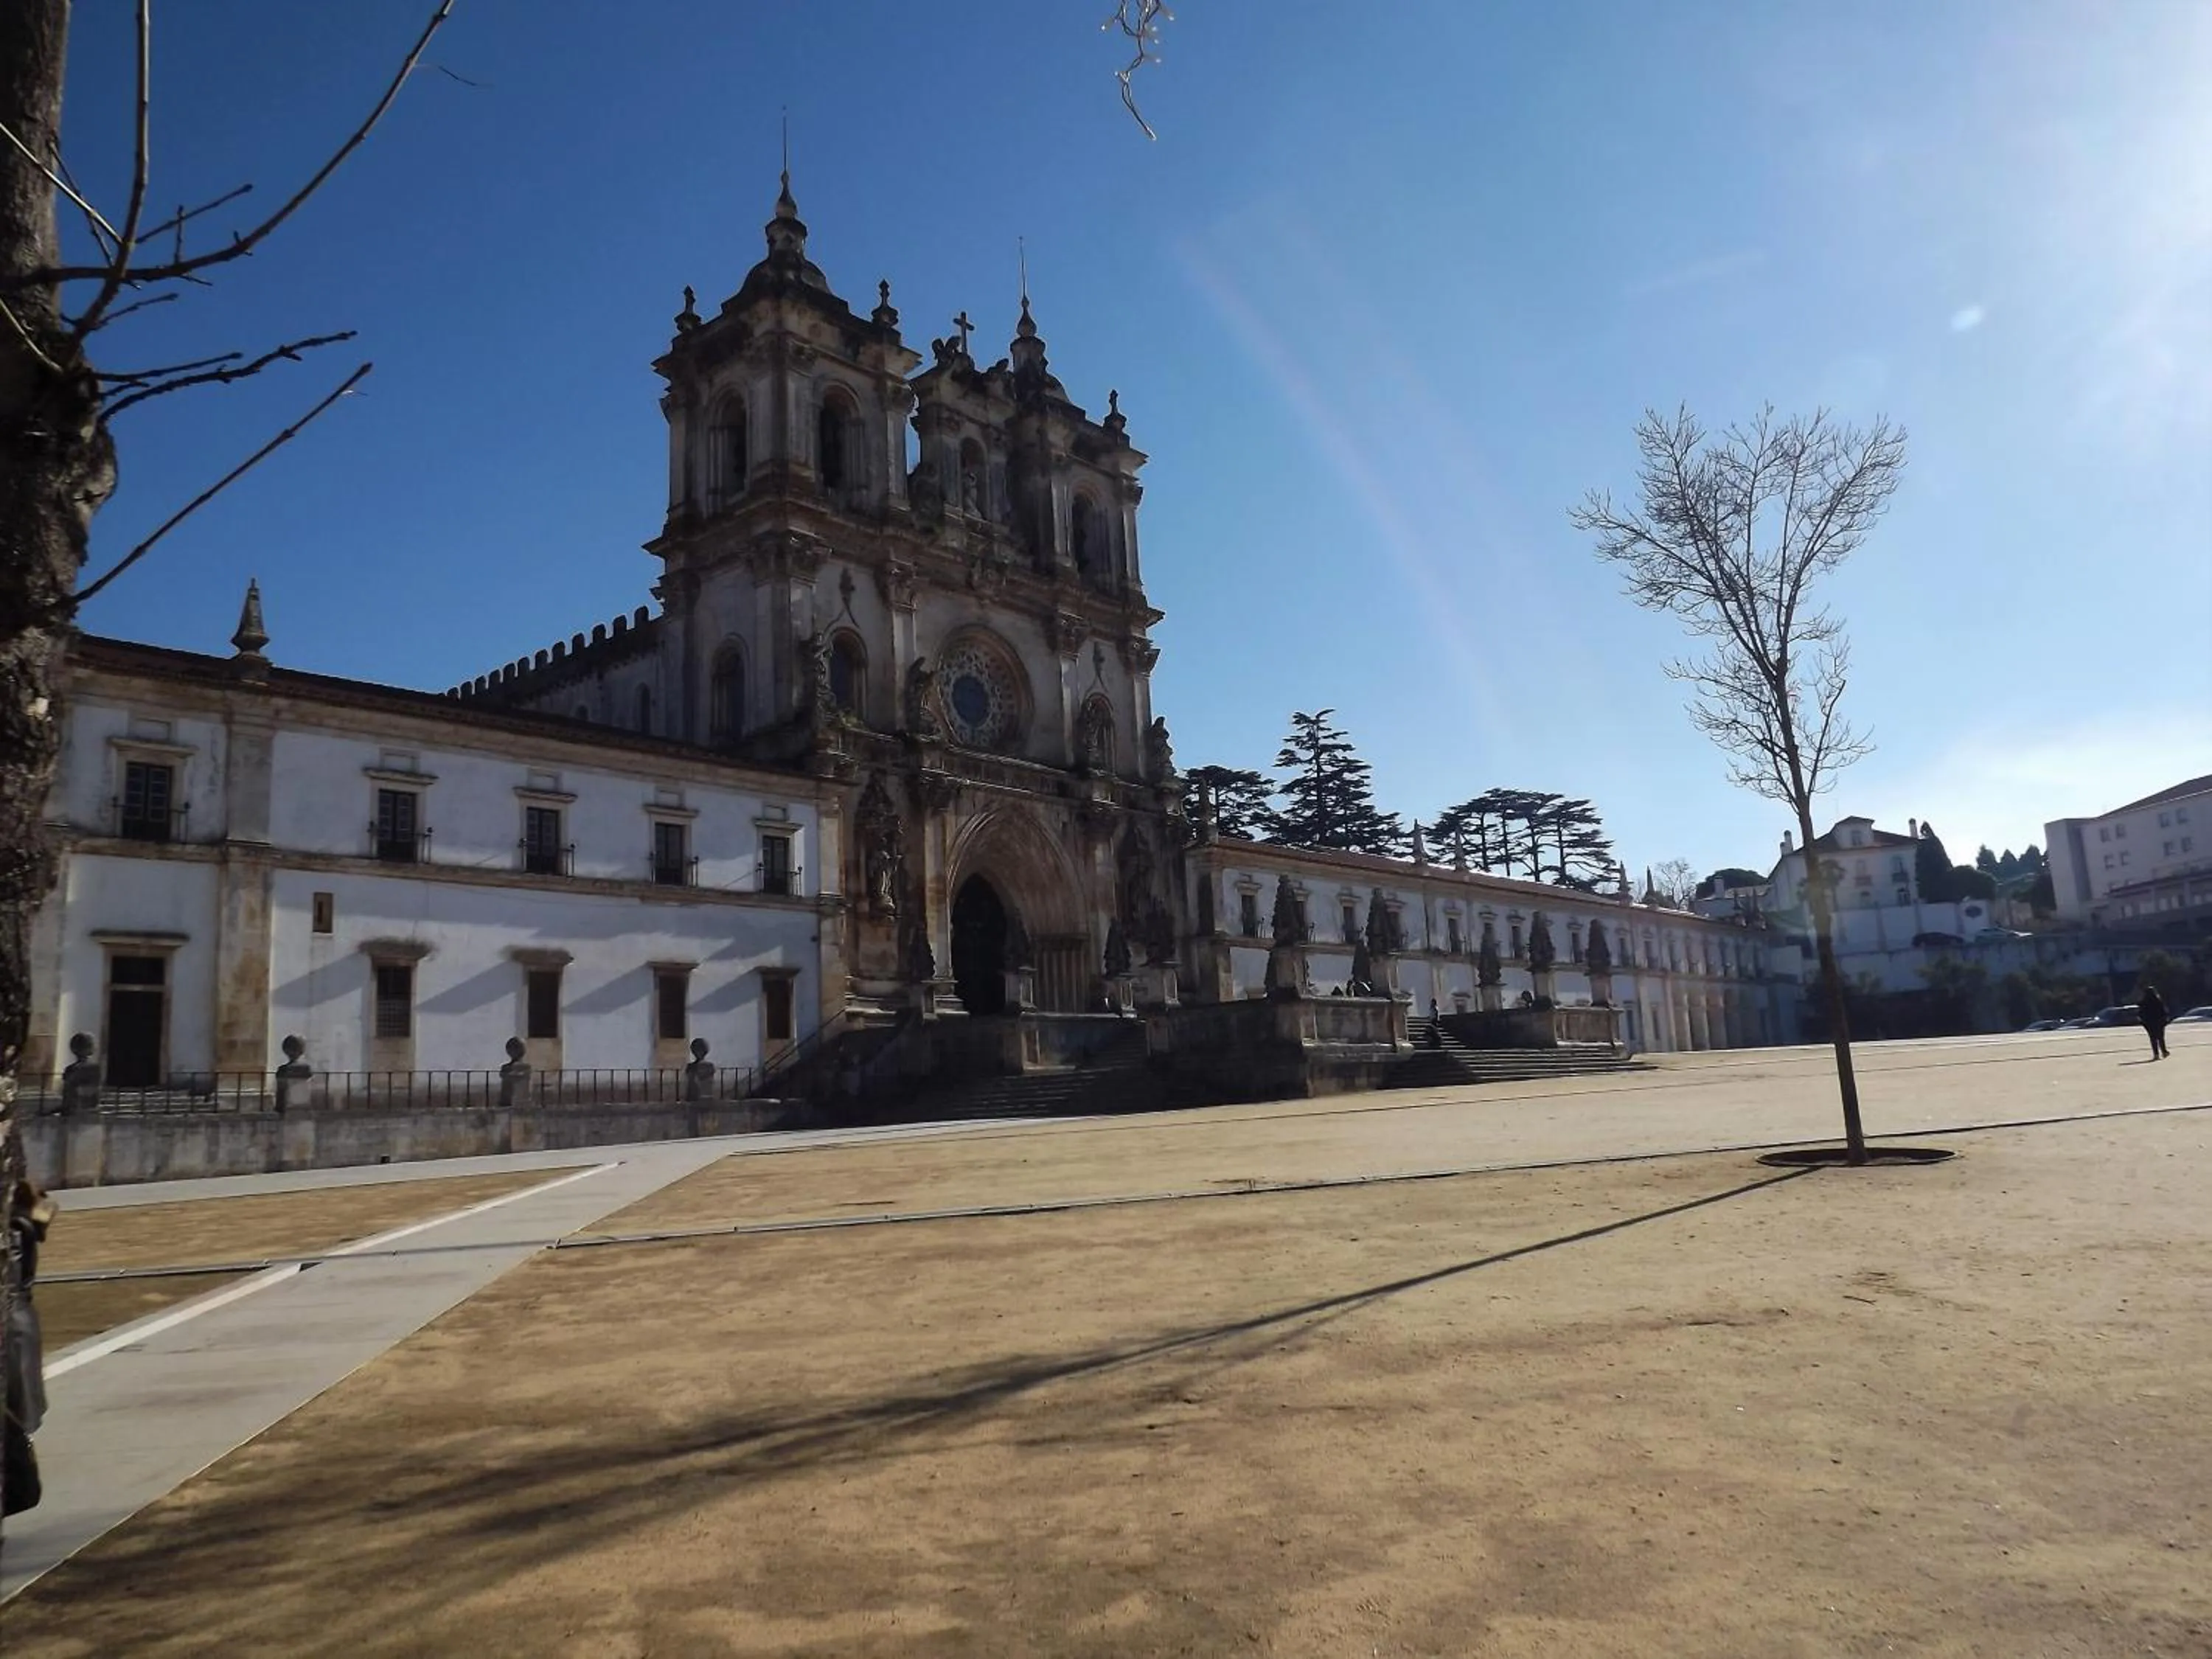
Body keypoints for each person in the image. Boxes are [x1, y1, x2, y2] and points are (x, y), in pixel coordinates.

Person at [4, 1178, 55, 1516]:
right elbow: (47, 1210)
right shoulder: (25, 1226)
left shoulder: (16, 1229)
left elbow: (45, 1208)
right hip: (20, 1318)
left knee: (16, 1405)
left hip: (13, 1321)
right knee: (19, 1406)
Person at [2139, 984, 2170, 1060]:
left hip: (2149, 1023)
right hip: (2159, 1022)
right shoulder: (2158, 1001)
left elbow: (2141, 1013)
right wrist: (2165, 1019)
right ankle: (2164, 1052)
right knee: (2161, 1037)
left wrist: (2143, 1021)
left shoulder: (2144, 1002)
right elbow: (2163, 1011)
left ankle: (2156, 1054)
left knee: (2153, 1038)